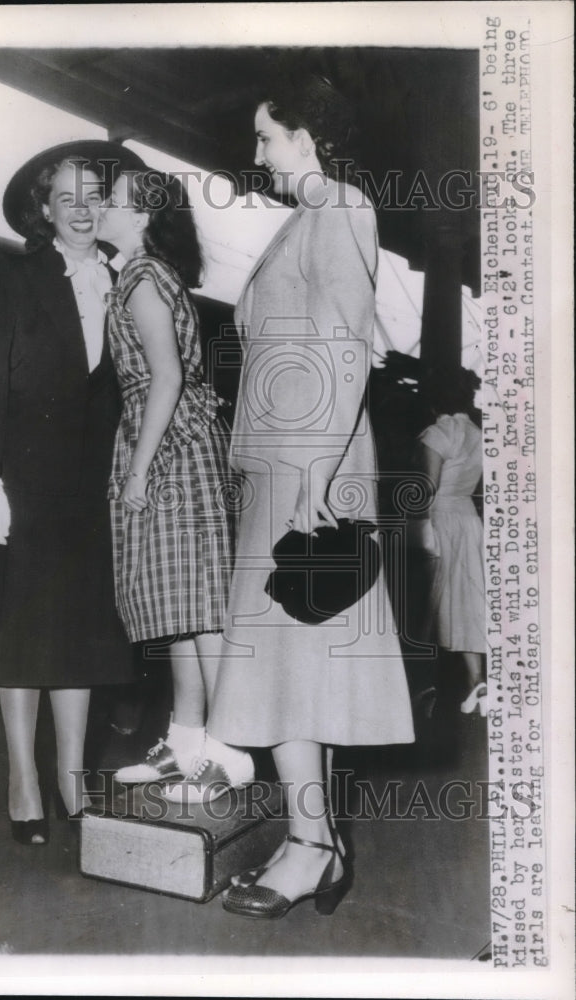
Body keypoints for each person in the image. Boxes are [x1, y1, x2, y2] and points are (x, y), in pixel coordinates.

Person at [190, 76, 416, 918]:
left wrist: (319, 465)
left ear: (308, 137)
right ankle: (312, 840)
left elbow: (349, 343)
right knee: (286, 661)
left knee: (299, 656)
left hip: (309, 463)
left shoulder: (343, 206)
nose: (256, 154)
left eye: (266, 137)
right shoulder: (303, 220)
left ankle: (312, 845)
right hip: (283, 463)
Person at [0, 143, 140, 844]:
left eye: (92, 194)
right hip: (26, 474)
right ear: (43, 210)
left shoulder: (125, 279)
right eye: (65, 198)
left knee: (84, 630)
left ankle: (72, 779)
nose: (80, 209)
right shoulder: (15, 273)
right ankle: (22, 780)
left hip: (93, 478)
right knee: (23, 630)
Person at [98, 171, 252, 790]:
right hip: (175, 438)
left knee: (202, 609)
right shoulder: (148, 274)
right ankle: (187, 740)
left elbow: (165, 377)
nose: (99, 208)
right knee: (181, 607)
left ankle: (229, 751)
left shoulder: (140, 277)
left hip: (169, 446)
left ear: (140, 217)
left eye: (111, 201)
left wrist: (139, 471)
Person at [413, 369, 486, 715]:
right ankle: (478, 685)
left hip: (439, 520)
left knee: (427, 604)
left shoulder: (437, 433)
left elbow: (427, 486)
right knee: (467, 602)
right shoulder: (476, 433)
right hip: (468, 521)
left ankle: (424, 688)